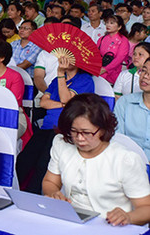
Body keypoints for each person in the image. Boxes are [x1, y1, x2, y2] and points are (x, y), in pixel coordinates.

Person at [43, 94, 150, 226]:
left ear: (103, 130)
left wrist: (128, 217)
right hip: (71, 221)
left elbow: (146, 208)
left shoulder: (125, 159)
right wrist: (54, 194)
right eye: (74, 131)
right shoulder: (62, 144)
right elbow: (49, 181)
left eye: (87, 133)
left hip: (109, 226)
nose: (80, 138)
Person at [17, 54, 95, 194]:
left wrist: (60, 74)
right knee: (25, 159)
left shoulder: (85, 80)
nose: (66, 59)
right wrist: (63, 104)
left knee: (43, 163)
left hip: (65, 129)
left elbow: (67, 98)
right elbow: (44, 103)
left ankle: (32, 195)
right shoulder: (56, 81)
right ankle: (15, 191)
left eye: (71, 56)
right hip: (47, 126)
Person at [98, 14, 130, 85]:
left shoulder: (123, 40)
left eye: (111, 23)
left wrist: (105, 69)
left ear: (119, 27)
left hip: (116, 71)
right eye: (107, 23)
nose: (108, 25)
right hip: (101, 69)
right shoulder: (102, 39)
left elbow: (119, 58)